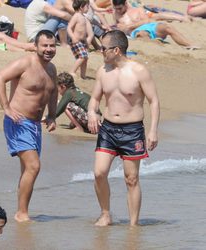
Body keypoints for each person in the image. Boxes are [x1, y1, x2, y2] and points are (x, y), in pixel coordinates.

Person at [88, 30, 160, 226]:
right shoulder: (103, 71)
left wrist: (152, 131)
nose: (101, 51)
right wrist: (92, 112)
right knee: (99, 173)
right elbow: (94, 99)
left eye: (103, 48)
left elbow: (153, 101)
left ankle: (133, 225)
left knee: (131, 178)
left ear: (116, 50)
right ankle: (105, 214)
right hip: (108, 129)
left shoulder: (139, 71)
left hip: (132, 130)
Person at [0, 30, 58, 222]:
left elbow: (53, 92)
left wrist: (53, 115)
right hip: (18, 121)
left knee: (27, 170)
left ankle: (21, 211)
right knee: (33, 166)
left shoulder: (51, 69)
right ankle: (22, 214)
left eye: (52, 45)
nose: (48, 49)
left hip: (35, 125)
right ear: (36, 46)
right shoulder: (25, 63)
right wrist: (6, 107)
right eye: (44, 45)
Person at [113, 0, 199, 49]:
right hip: (137, 31)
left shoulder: (138, 10)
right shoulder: (116, 14)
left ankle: (189, 45)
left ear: (125, 3)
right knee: (142, 33)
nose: (118, 11)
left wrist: (128, 26)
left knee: (167, 27)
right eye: (116, 9)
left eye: (120, 8)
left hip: (150, 26)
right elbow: (119, 29)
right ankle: (160, 47)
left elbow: (146, 21)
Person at [67, 0, 94, 79]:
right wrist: (73, 37)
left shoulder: (84, 17)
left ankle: (83, 75)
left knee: (85, 59)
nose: (88, 8)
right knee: (83, 57)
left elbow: (86, 32)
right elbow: (69, 27)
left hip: (82, 42)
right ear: (81, 7)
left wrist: (86, 42)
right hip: (76, 41)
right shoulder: (76, 16)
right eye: (87, 6)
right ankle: (72, 71)